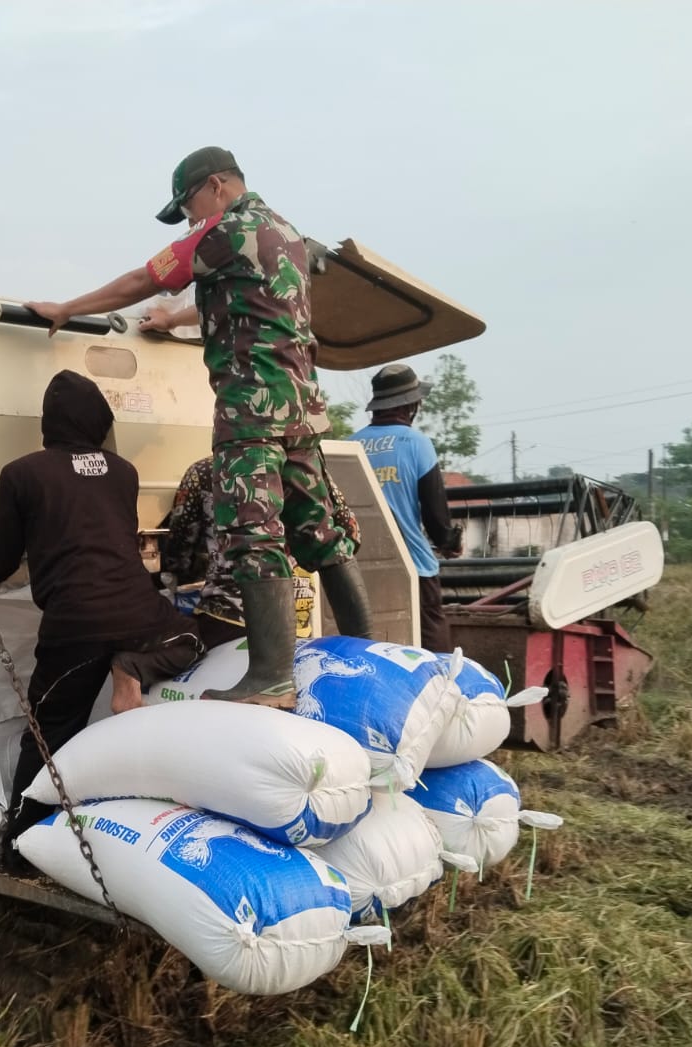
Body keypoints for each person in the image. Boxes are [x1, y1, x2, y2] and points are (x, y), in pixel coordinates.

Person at [27, 145, 370, 709]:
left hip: (250, 410)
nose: (189, 217)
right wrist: (176, 319)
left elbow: (142, 279)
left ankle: (270, 678)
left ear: (216, 185)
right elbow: (242, 295)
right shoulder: (283, 233)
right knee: (318, 528)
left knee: (253, 533)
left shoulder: (224, 230)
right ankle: (364, 652)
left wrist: (67, 308)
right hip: (300, 406)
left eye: (188, 204)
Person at [0, 369, 202, 859]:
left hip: (74, 626)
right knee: (194, 638)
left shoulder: (22, 474)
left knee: (48, 735)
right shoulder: (124, 472)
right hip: (140, 612)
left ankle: (20, 846)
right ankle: (130, 665)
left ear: (49, 422)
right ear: (98, 421)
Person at [162, 454, 358, 648]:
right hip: (295, 619)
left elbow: (178, 552)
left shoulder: (204, 471)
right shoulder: (308, 471)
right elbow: (351, 532)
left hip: (228, 620)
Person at [348, 363, 463, 652]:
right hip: (412, 564)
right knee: (430, 631)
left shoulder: (351, 444)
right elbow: (434, 511)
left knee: (371, 638)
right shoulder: (416, 443)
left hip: (360, 564)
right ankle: (441, 688)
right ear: (411, 404)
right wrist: (448, 542)